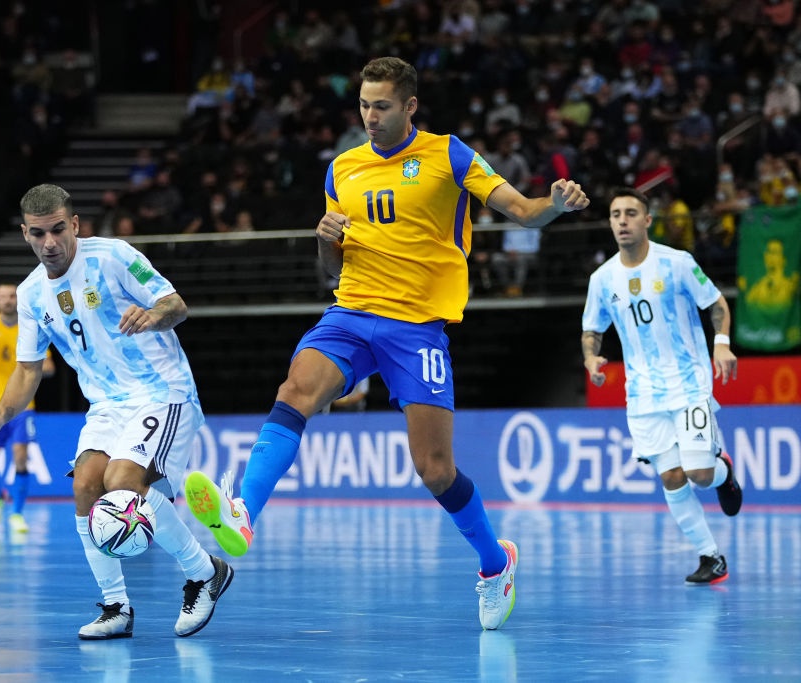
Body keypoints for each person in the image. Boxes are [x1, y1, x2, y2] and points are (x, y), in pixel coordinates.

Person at [182, 56, 591, 631]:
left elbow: (523, 213)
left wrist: (555, 202)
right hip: (351, 310)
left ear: (410, 107)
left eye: (382, 107)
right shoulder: (342, 169)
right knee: (296, 389)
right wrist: (325, 239)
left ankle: (495, 564)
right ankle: (244, 513)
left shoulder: (449, 154)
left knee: (435, 469)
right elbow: (330, 267)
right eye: (363, 106)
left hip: (417, 326)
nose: (370, 117)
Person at [0, 183, 232, 640]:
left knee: (123, 484)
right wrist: (0, 415)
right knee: (87, 487)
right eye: (37, 234)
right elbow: (27, 371)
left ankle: (204, 571)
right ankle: (116, 608)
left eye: (56, 230)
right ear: (24, 234)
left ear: (74, 225)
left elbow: (176, 304)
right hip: (107, 404)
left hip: (161, 391)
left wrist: (153, 316)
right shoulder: (31, 294)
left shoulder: (112, 256)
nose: (49, 243)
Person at [581, 187, 743, 585]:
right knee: (671, 478)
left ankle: (723, 472)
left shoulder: (677, 263)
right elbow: (592, 329)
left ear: (647, 220)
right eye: (616, 214)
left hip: (688, 383)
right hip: (643, 395)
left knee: (699, 474)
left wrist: (721, 345)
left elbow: (717, 303)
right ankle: (710, 557)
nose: (622, 220)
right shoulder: (602, 279)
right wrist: (591, 357)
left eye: (631, 213)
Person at [0, 283, 57, 533]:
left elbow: (49, 367)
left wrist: (32, 367)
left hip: (23, 406)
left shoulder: (29, 327)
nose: (8, 300)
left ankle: (17, 513)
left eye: (12, 296)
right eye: (3, 296)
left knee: (21, 460)